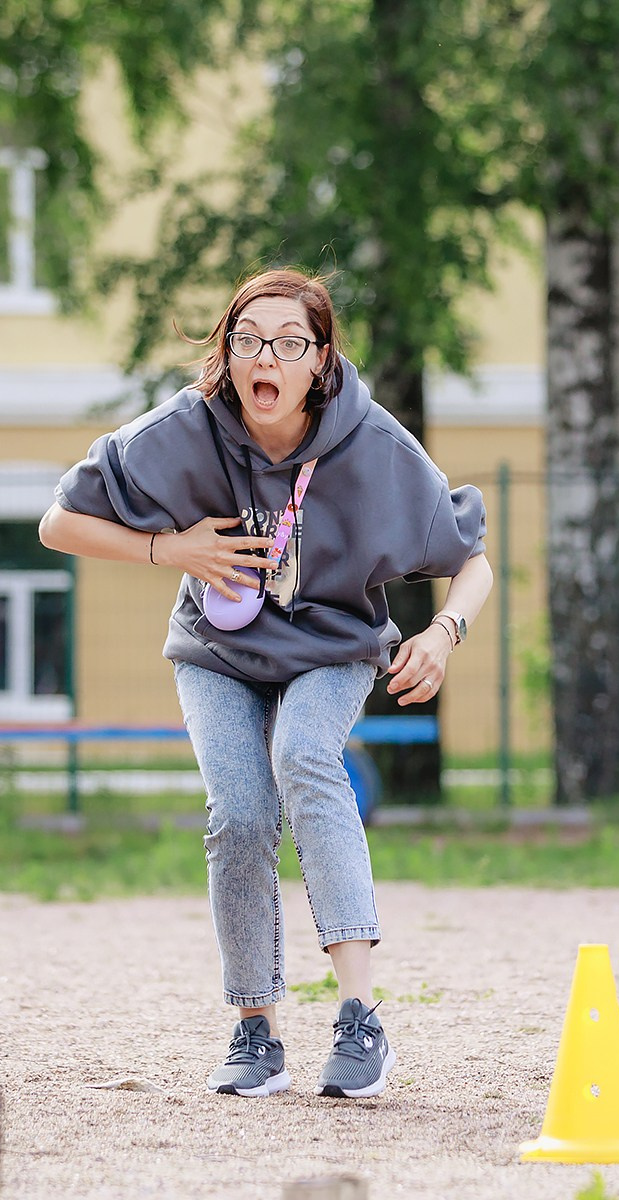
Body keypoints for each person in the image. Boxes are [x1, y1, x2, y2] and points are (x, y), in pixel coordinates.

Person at [39, 269, 492, 1099]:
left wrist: (443, 632)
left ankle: (360, 1018)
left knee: (305, 758)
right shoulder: (184, 429)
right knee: (240, 813)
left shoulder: (372, 444)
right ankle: (256, 1030)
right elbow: (58, 521)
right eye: (247, 339)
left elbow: (474, 560)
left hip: (332, 644)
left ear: (320, 359)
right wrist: (168, 549)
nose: (265, 357)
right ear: (227, 351)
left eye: (289, 342)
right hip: (218, 649)